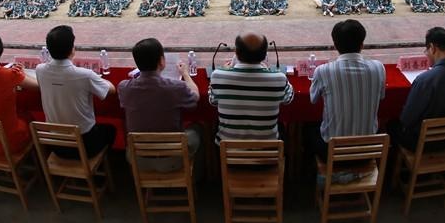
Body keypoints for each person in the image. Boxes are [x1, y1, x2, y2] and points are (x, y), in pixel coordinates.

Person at [306, 20, 386, 161]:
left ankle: (306, 177)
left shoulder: (323, 71)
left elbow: (313, 99)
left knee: (307, 128)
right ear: (362, 44)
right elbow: (381, 96)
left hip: (333, 152)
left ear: (335, 45)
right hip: (368, 150)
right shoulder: (378, 68)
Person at [118, 37, 201, 171]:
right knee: (198, 128)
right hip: (173, 159)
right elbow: (195, 98)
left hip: (137, 159)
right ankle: (199, 176)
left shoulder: (124, 87)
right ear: (162, 62)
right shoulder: (176, 87)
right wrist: (186, 74)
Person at [35, 25, 116, 159]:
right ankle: (99, 170)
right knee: (110, 130)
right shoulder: (84, 75)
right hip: (84, 145)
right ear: (72, 49)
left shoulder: (40, 70)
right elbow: (111, 90)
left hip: (56, 145)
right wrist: (95, 78)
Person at [390, 27, 445, 151]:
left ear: (433, 48)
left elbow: (407, 119)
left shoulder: (424, 80)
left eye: (427, 50)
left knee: (391, 126)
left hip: (423, 143)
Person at [209, 31, 294, 142]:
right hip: (268, 149)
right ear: (265, 55)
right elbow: (288, 99)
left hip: (228, 151)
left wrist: (227, 70)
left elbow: (213, 101)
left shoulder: (218, 76)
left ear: (236, 53)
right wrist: (268, 70)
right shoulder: (279, 78)